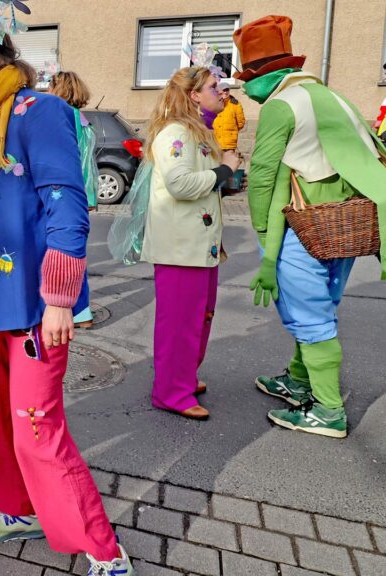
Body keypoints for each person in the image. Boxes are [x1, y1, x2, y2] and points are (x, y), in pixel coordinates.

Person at [0, 18, 134, 575]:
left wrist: (62, 297)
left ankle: (103, 550)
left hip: (33, 299)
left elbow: (66, 202)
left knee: (37, 426)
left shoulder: (38, 111)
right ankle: (18, 509)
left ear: (5, 55)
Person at [238, 15, 386, 438]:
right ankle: (300, 381)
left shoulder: (282, 105)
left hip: (304, 228)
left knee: (310, 319)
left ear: (266, 74)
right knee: (319, 309)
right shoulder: (330, 96)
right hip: (343, 227)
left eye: (247, 79)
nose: (244, 89)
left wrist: (266, 241)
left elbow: (264, 175)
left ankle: (327, 410)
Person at [140, 67, 239, 420]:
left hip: (199, 246)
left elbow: (202, 182)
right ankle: (170, 392)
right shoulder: (176, 132)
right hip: (180, 248)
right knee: (179, 325)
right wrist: (225, 170)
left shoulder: (198, 131)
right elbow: (181, 185)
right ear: (194, 95)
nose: (222, 91)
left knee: (199, 319)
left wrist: (226, 175)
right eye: (214, 87)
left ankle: (182, 377)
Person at [48, 71, 99, 327]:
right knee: (75, 251)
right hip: (80, 192)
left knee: (65, 252)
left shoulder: (64, 116)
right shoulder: (82, 118)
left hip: (64, 192)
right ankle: (81, 310)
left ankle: (78, 310)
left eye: (50, 85)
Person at [212, 80, 246, 152]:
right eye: (223, 90)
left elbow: (241, 123)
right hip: (215, 141)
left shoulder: (235, 104)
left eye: (227, 90)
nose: (225, 92)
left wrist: (231, 129)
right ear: (218, 91)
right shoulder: (213, 103)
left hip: (229, 141)